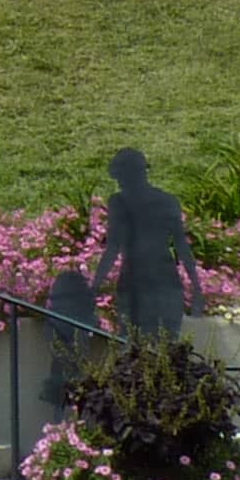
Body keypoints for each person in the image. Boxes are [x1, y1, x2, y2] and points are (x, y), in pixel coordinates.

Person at [101, 148, 198, 345]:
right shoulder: (164, 201)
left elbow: (113, 247)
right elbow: (181, 246)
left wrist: (197, 286)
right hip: (147, 280)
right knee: (150, 343)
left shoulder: (123, 202)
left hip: (155, 281)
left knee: (148, 344)